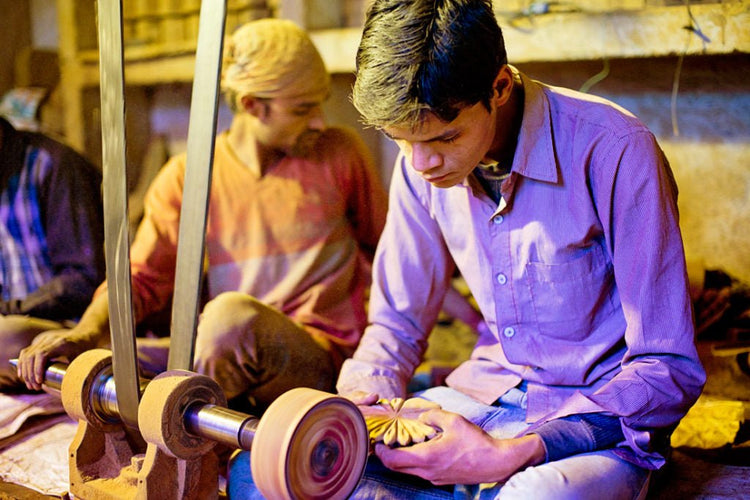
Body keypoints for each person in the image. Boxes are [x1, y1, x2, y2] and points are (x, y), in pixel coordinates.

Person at [239, 0, 709, 498]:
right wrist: (361, 404)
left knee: (534, 496)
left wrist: (509, 453)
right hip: (485, 397)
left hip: (589, 424)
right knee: (268, 475)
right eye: (401, 141)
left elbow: (665, 368)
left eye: (445, 137)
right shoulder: (420, 165)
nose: (422, 164)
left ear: (499, 87)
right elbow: (396, 325)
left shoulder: (614, 150)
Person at [16, 18, 388, 414]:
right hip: (226, 353)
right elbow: (139, 280)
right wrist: (86, 334)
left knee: (230, 319)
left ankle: (186, 431)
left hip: (311, 360)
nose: (319, 120)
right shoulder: (187, 175)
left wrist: (459, 319)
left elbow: (392, 255)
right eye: (302, 109)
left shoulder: (340, 153)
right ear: (251, 106)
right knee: (14, 339)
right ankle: (182, 406)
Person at [0, 115, 105, 390]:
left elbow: (82, 281)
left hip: (66, 330)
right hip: (14, 336)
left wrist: (10, 310)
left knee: (5, 336)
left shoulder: (54, 164)